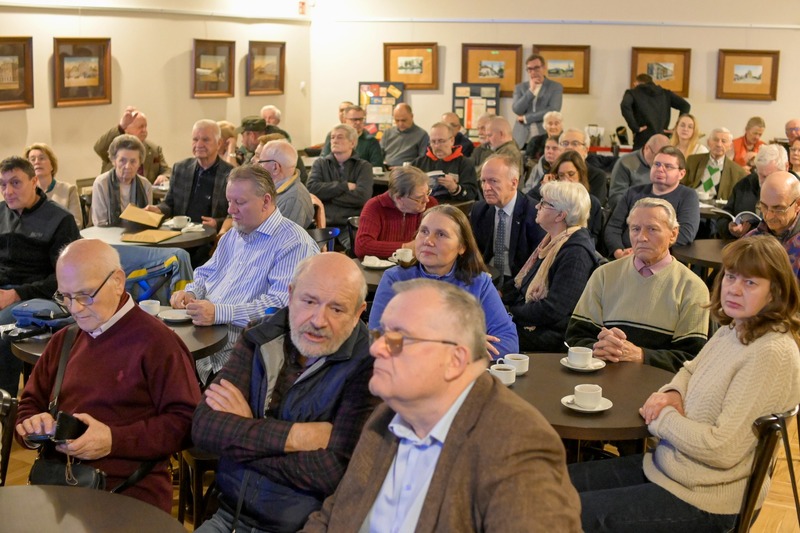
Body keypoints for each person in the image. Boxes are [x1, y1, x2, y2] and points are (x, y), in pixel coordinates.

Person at [301, 279, 582, 532]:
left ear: (455, 360)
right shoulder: (387, 416)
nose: (375, 349)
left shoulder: (515, 443)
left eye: (398, 337)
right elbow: (334, 515)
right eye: (380, 334)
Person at [570, 236, 800, 532]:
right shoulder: (736, 327)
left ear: (776, 293)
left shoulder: (771, 353)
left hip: (706, 500)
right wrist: (673, 393)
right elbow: (690, 369)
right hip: (670, 467)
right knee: (556, 485)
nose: (734, 289)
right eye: (731, 277)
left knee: (567, 512)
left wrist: (661, 416)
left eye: (751, 283)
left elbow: (722, 449)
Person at [193, 253, 378, 533]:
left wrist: (244, 434)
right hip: (228, 517)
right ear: (291, 295)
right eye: (309, 301)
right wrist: (297, 437)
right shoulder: (259, 336)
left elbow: (333, 472)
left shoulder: (369, 366)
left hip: (303, 526)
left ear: (358, 313)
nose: (318, 320)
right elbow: (205, 427)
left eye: (337, 309)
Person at [15, 239, 200, 512]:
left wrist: (113, 440)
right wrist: (33, 427)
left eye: (84, 295)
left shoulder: (158, 343)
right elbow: (28, 406)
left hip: (130, 496)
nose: (74, 308)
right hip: (62, 493)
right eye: (64, 297)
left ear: (118, 282)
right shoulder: (64, 340)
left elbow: (187, 424)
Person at [170, 164, 318, 384]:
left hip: (247, 357)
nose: (230, 210)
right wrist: (190, 292)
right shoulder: (234, 235)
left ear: (266, 201)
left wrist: (219, 313)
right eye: (229, 201)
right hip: (206, 345)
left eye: (239, 202)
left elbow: (279, 307)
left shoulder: (293, 243)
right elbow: (206, 273)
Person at [568, 198, 709, 372]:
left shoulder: (692, 287)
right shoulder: (604, 275)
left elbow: (692, 358)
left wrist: (642, 356)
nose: (641, 237)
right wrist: (599, 347)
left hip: (658, 388)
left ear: (673, 234)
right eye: (635, 229)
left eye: (652, 229)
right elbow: (575, 337)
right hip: (601, 377)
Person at [368, 205, 519, 359]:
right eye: (424, 231)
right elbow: (378, 339)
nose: (428, 241)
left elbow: (509, 342)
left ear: (461, 247)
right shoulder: (394, 279)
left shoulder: (479, 283)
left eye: (441, 234)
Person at [0, 156, 81, 396]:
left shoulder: (60, 219)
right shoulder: (1, 213)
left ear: (34, 181)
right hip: (6, 292)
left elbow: (65, 278)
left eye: (16, 183)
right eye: (3, 184)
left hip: (41, 296)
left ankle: (6, 406)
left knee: (2, 331)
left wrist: (16, 294)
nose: (8, 191)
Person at [506, 181, 600, 353]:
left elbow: (554, 310)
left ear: (560, 215)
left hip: (553, 335)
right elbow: (523, 283)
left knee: (485, 333)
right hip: (535, 322)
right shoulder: (551, 241)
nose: (537, 206)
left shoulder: (576, 252)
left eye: (544, 203)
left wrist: (510, 313)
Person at [606, 146, 700, 258]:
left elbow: (685, 234)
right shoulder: (633, 192)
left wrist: (643, 250)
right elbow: (613, 227)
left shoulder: (688, 196)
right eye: (657, 164)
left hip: (663, 258)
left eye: (668, 166)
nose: (660, 169)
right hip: (625, 257)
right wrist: (619, 253)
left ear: (681, 173)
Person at [470, 154, 545, 290]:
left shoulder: (534, 213)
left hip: (520, 283)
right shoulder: (479, 210)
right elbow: (474, 253)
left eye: (493, 181)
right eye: (483, 181)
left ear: (514, 183)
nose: (486, 188)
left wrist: (504, 292)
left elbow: (536, 266)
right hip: (487, 277)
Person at [146, 119, 234, 231]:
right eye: (195, 139)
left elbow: (235, 214)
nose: (199, 144)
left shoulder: (230, 174)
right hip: (181, 234)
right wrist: (158, 210)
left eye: (205, 140)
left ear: (219, 143)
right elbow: (169, 204)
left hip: (210, 237)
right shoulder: (180, 168)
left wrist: (217, 223)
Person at [307, 123, 374, 244]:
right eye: (332, 137)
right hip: (323, 224)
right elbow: (312, 189)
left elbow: (362, 197)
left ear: (352, 143)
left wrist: (328, 197)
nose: (334, 141)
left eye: (340, 137)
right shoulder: (320, 164)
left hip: (350, 225)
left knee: (356, 250)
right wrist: (345, 186)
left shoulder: (364, 167)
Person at [354, 165, 437, 259]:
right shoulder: (375, 207)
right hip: (382, 267)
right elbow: (362, 246)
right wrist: (405, 248)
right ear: (398, 198)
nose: (426, 200)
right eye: (418, 198)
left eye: (427, 193)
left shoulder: (431, 205)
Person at [717, 144, 788, 239]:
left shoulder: (796, 189)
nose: (765, 181)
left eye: (770, 176)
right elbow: (723, 219)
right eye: (761, 175)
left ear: (786, 168)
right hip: (745, 246)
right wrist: (730, 228)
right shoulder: (745, 184)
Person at [534, 150, 604, 245]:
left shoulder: (592, 202)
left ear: (580, 174)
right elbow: (526, 201)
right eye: (561, 175)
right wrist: (546, 189)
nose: (566, 180)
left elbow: (593, 238)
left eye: (571, 174)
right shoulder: (548, 202)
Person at [93, 106, 170, 185]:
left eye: (145, 126)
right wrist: (120, 127)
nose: (144, 130)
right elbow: (99, 148)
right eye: (140, 127)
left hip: (145, 194)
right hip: (115, 192)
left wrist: (164, 176)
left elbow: (166, 170)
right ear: (127, 129)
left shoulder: (154, 149)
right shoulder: (115, 146)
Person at [745, 171, 800, 279]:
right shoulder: (750, 240)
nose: (769, 216)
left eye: (778, 209)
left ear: (798, 204)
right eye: (764, 206)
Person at [91, 134, 153, 227]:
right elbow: (100, 222)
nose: (127, 166)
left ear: (140, 163)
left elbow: (147, 219)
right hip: (107, 237)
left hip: (138, 237)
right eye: (122, 161)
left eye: (133, 161)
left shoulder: (145, 185)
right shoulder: (101, 183)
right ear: (114, 161)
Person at [411, 122, 479, 203]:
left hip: (454, 209)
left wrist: (455, 188)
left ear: (452, 141)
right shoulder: (418, 163)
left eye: (441, 141)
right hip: (424, 207)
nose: (437, 146)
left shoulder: (465, 163)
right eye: (433, 141)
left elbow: (472, 194)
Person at [621, 73, 691, 150]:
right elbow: (685, 106)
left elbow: (625, 105)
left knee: (640, 160)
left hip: (642, 137)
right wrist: (677, 128)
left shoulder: (632, 93)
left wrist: (635, 127)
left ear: (636, 83)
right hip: (662, 137)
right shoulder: (665, 93)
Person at [257, 139, 314, 228]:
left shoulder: (293, 199)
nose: (257, 166)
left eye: (260, 162)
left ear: (275, 167)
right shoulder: (278, 190)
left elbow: (280, 239)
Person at [511, 53, 564, 149]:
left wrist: (526, 118)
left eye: (536, 68)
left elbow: (553, 110)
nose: (533, 72)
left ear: (544, 68)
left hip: (544, 135)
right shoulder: (520, 87)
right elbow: (517, 110)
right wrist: (531, 91)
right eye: (529, 69)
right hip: (521, 137)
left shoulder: (555, 87)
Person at [24, 143, 82, 228]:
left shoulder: (69, 190)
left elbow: (76, 224)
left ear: (52, 165)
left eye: (42, 158)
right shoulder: (24, 193)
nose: (37, 162)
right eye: (32, 159)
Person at [607, 134, 670, 211]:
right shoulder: (626, 163)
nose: (660, 162)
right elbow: (616, 197)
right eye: (656, 155)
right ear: (647, 148)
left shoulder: (668, 166)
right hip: (633, 213)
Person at [682, 127, 747, 200]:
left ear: (730, 146)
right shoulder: (693, 161)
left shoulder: (738, 172)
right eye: (716, 140)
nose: (719, 144)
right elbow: (681, 185)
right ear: (708, 142)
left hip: (717, 208)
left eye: (723, 141)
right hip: (692, 202)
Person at [557, 128, 608, 205]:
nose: (569, 147)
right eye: (565, 143)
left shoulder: (597, 176)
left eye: (575, 143)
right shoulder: (553, 171)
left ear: (586, 149)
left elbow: (594, 208)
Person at [381, 103, 429, 167]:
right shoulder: (387, 133)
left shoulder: (422, 135)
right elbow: (379, 155)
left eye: (404, 120)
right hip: (386, 169)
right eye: (397, 120)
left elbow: (423, 159)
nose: (400, 124)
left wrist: (404, 167)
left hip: (408, 171)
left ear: (412, 116)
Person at [481, 116, 524, 181]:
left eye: (490, 135)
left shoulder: (508, 153)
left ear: (501, 134)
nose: (487, 140)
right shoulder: (504, 150)